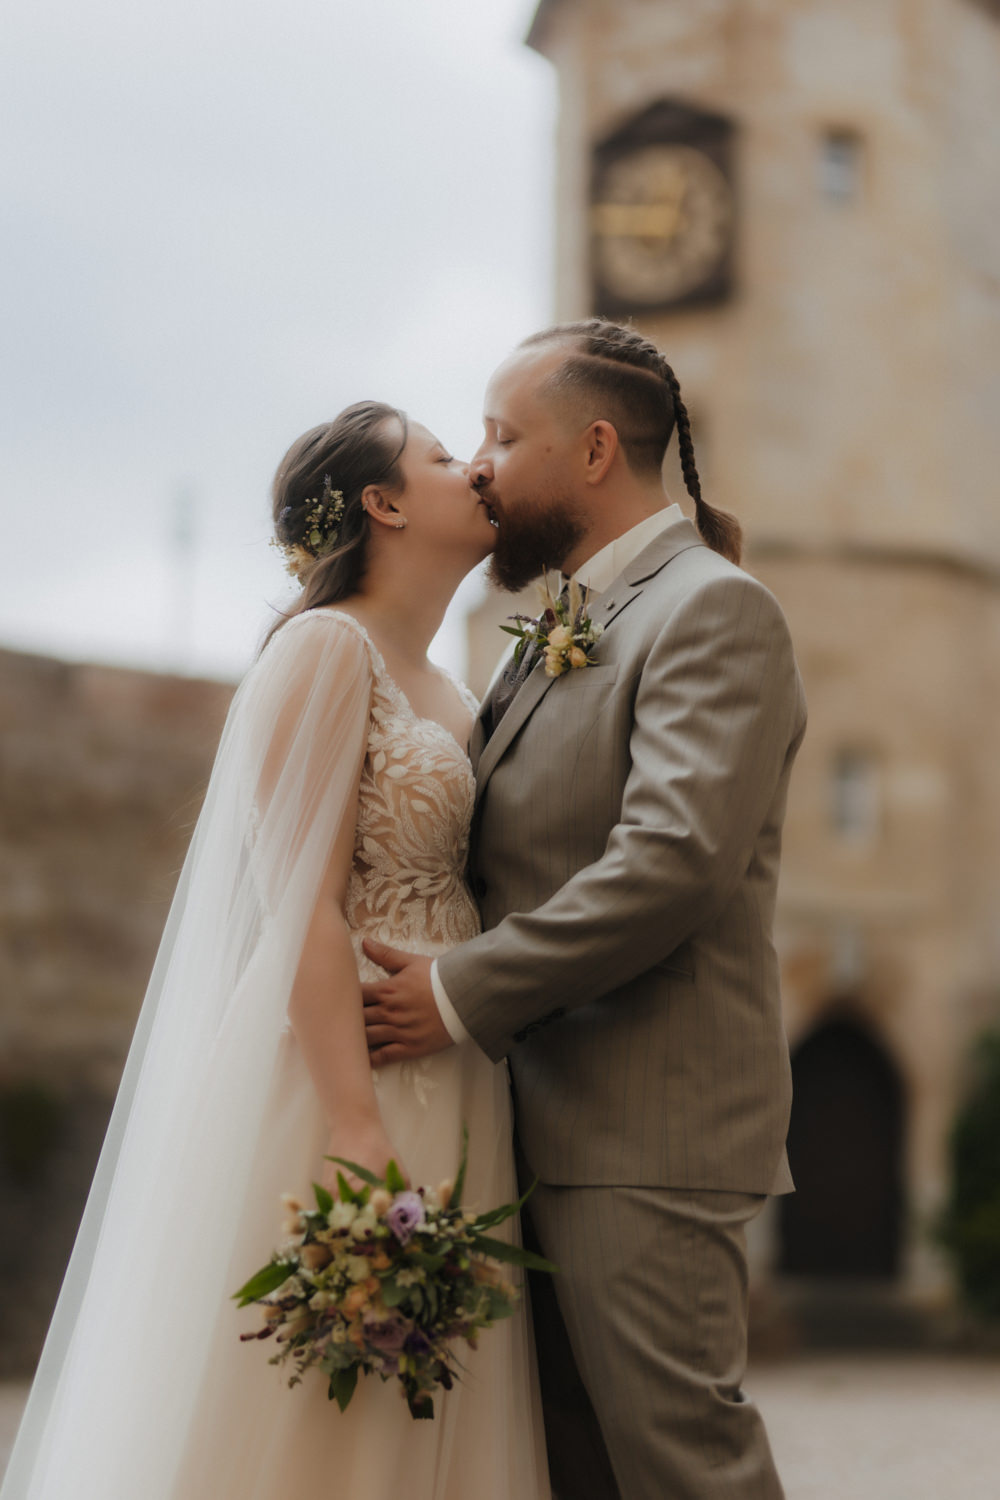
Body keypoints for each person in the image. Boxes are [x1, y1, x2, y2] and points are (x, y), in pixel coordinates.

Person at [1, 402, 550, 1500]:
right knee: (322, 1414)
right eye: (445, 458)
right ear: (383, 504)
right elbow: (298, 901)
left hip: (454, 1064)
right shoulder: (322, 649)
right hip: (348, 1073)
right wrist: (352, 1132)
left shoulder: (450, 686)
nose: (473, 472)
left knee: (430, 1399)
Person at [362, 320, 807, 1500]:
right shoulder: (556, 622)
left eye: (506, 437)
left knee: (679, 1468)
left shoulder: (713, 611)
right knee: (572, 1475)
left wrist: (457, 993)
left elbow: (673, 861)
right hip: (525, 1125)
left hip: (641, 1137)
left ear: (596, 450)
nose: (480, 465)